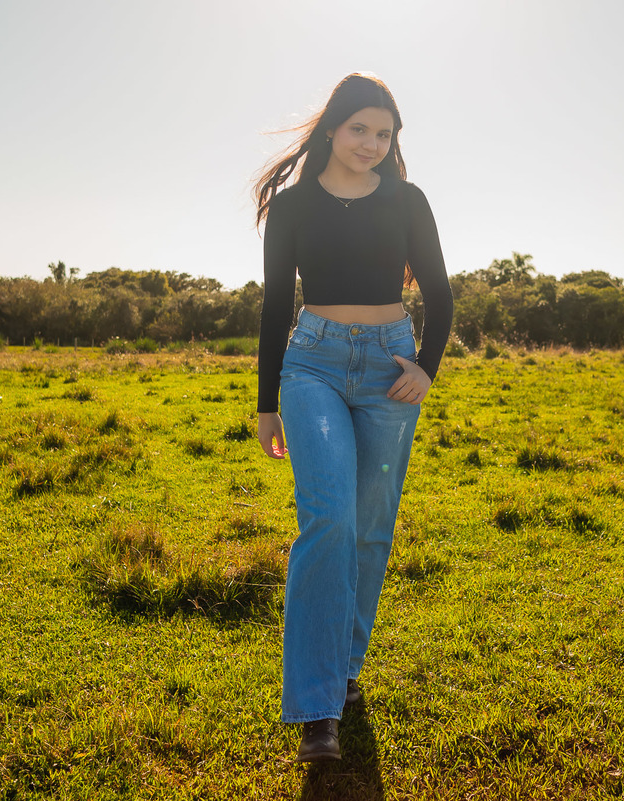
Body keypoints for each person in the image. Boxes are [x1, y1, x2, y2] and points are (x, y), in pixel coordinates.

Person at [253, 73, 453, 763]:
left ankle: (342, 674)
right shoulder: (292, 207)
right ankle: (316, 709)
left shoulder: (408, 201)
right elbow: (277, 303)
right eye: (362, 128)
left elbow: (440, 292)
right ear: (333, 128)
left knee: (370, 528)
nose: (373, 143)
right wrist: (266, 401)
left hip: (390, 369)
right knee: (330, 516)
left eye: (386, 133)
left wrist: (426, 365)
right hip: (311, 364)